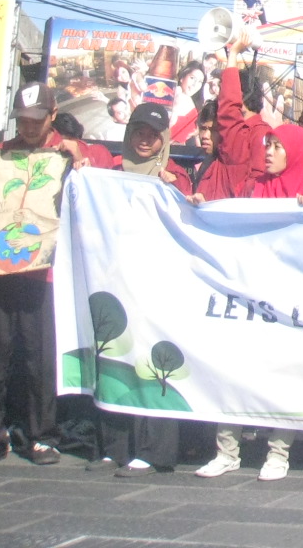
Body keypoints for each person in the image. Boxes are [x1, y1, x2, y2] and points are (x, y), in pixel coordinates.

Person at [0, 84, 81, 466]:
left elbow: (100, 187)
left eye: (36, 120)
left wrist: (82, 158)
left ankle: (42, 436)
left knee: (40, 361)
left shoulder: (69, 154)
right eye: (23, 120)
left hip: (43, 278)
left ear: (52, 114)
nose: (29, 127)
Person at [191, 123, 303, 481]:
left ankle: (278, 453)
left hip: (289, 303)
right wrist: (205, 209)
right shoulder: (254, 188)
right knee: (233, 371)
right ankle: (226, 451)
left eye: (277, 147)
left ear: (295, 152)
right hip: (250, 298)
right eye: (268, 145)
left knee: (285, 377)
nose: (268, 152)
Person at [92, 104, 193, 477]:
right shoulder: (109, 175)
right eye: (139, 131)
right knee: (114, 359)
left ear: (165, 138)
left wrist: (176, 192)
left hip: (157, 285)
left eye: (153, 134)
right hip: (115, 280)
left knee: (153, 364)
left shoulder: (176, 177)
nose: (145, 140)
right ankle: (112, 446)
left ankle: (155, 450)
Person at [198, 41, 269, 201]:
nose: (220, 98)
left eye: (224, 92)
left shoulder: (256, 134)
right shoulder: (245, 132)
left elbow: (256, 184)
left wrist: (234, 54)